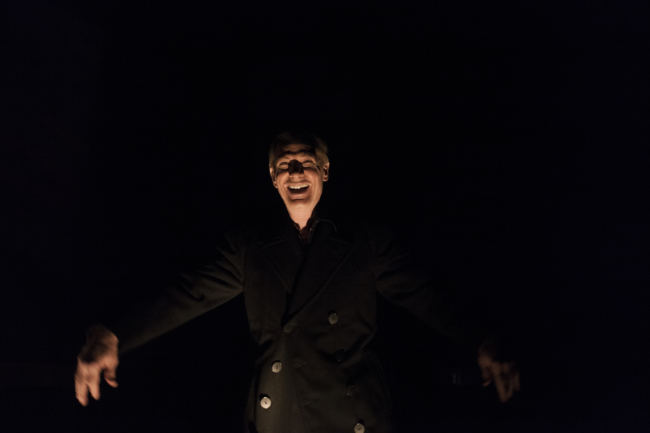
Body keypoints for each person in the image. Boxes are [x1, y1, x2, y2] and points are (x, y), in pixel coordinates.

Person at [74, 132, 520, 433]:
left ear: (324, 171)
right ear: (272, 178)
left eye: (305, 162)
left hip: (350, 415)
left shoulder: (363, 243)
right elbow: (188, 295)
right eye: (284, 165)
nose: (295, 173)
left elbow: (425, 296)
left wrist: (483, 341)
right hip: (280, 415)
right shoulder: (249, 248)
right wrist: (114, 335)